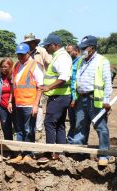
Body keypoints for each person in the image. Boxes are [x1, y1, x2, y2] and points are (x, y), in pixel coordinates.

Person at [72, 35, 113, 166]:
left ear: (92, 48)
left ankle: (104, 155)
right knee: (80, 126)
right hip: (81, 98)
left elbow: (107, 81)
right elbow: (76, 79)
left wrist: (106, 100)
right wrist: (75, 97)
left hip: (95, 100)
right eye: (81, 48)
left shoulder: (102, 61)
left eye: (85, 48)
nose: (82, 50)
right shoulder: (80, 61)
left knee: (101, 127)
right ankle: (79, 154)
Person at [38, 34, 72, 163]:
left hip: (59, 96)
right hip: (61, 96)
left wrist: (48, 87)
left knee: (49, 123)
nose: (46, 47)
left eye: (47, 45)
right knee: (59, 124)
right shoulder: (58, 56)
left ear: (55, 45)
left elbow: (63, 77)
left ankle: (49, 153)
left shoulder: (62, 57)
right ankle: (60, 152)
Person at [9, 43, 43, 163]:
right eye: (18, 54)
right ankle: (20, 153)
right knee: (19, 129)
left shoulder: (35, 65)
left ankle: (29, 153)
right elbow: (14, 85)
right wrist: (10, 101)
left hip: (30, 104)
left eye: (22, 55)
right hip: (19, 104)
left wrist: (35, 105)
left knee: (29, 130)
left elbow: (40, 87)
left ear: (29, 53)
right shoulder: (16, 66)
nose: (20, 57)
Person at [23, 33, 52, 134]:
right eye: (27, 42)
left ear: (35, 42)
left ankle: (38, 128)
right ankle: (28, 126)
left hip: (39, 81)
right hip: (26, 83)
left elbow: (50, 63)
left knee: (39, 104)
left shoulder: (41, 51)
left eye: (31, 42)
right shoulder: (24, 52)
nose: (29, 44)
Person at [0, 58, 15, 140]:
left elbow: (14, 91)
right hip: (2, 106)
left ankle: (18, 148)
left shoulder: (13, 77)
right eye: (2, 67)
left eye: (5, 67)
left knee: (17, 127)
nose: (3, 69)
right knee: (5, 126)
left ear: (10, 66)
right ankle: (9, 147)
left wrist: (10, 101)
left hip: (13, 106)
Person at [65, 44, 80, 144]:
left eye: (69, 52)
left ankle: (74, 143)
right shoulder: (70, 62)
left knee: (76, 122)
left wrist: (74, 98)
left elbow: (76, 81)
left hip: (77, 97)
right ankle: (71, 141)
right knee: (72, 121)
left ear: (76, 51)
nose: (68, 54)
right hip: (70, 95)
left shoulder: (80, 62)